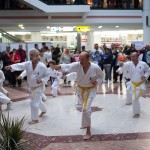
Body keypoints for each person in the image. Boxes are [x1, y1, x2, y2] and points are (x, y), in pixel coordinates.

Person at [55, 52, 103, 140]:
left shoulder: (95, 67)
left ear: (88, 59)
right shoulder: (78, 65)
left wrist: (97, 82)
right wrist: (60, 66)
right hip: (80, 90)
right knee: (84, 108)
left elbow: (101, 76)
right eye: (79, 59)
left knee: (86, 108)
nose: (80, 61)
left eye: (82, 60)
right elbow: (69, 66)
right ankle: (85, 124)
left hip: (90, 90)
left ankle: (88, 131)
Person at [5, 49, 50, 124]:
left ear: (37, 55)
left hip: (38, 87)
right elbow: (20, 65)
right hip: (32, 87)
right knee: (38, 101)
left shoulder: (42, 66)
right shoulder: (28, 64)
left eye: (32, 54)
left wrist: (42, 80)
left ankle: (35, 119)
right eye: (30, 54)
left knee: (33, 103)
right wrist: (11, 67)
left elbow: (47, 75)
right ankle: (44, 110)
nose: (30, 56)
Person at [119, 52, 150, 118]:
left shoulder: (143, 63)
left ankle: (136, 113)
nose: (132, 58)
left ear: (137, 57)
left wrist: (145, 76)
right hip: (132, 84)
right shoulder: (129, 64)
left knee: (134, 99)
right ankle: (137, 107)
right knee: (135, 98)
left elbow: (148, 70)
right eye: (131, 57)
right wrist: (121, 64)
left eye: (134, 56)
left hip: (140, 85)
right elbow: (123, 65)